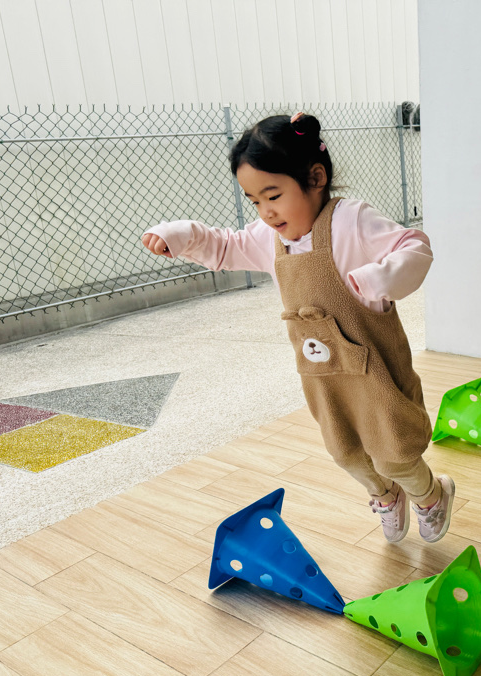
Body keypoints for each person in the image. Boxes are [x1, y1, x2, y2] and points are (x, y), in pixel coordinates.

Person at [141, 112, 454, 543]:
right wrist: (177, 235)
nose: (266, 212)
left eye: (273, 195)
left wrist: (379, 278)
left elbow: (413, 246)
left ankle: (431, 495)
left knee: (394, 453)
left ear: (315, 178)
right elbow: (225, 245)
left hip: (375, 368)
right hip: (325, 375)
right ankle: (385, 496)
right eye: (254, 201)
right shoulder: (267, 238)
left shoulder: (350, 221)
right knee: (346, 452)